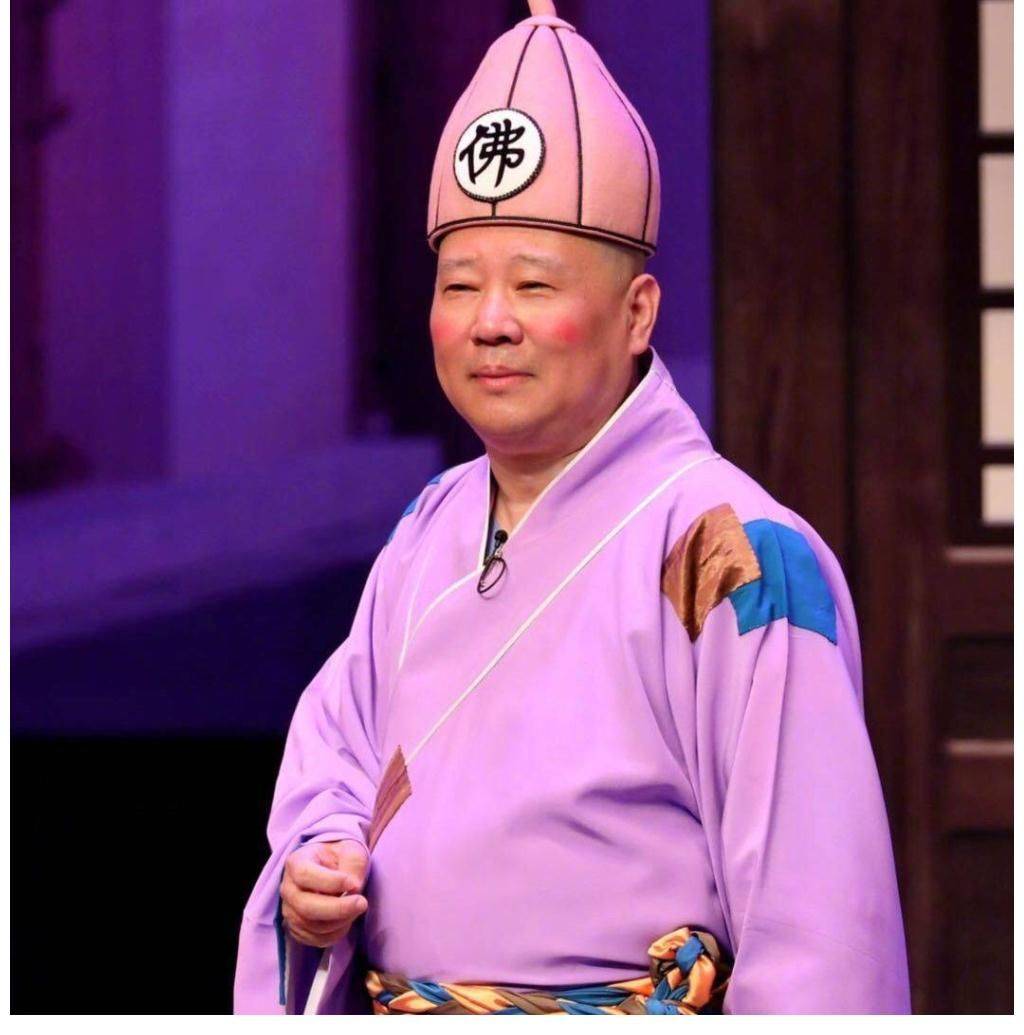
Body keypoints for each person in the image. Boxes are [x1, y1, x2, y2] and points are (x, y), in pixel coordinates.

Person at [234, 0, 910, 1014]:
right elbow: (336, 756)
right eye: (460, 285)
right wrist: (318, 864)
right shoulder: (428, 530)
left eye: (534, 285)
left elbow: (820, 922)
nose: (490, 323)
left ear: (637, 314)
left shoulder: (729, 553)